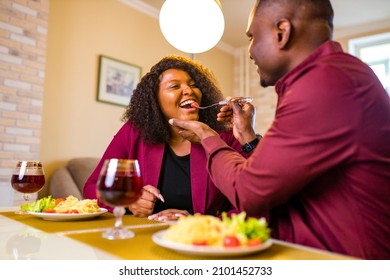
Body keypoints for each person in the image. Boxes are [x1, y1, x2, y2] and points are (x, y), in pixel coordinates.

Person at [168, 0, 390, 259]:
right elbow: (282, 176)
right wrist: (248, 137)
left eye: (252, 37)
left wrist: (207, 136)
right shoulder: (330, 76)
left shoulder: (325, 85)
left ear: (281, 33)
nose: (250, 51)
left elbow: (248, 193)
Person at [83, 55, 256, 221]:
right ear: (155, 100)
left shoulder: (223, 136)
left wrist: (203, 223)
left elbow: (256, 196)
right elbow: (92, 188)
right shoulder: (133, 131)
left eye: (194, 85)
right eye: (174, 86)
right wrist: (129, 201)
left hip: (203, 241)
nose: (189, 90)